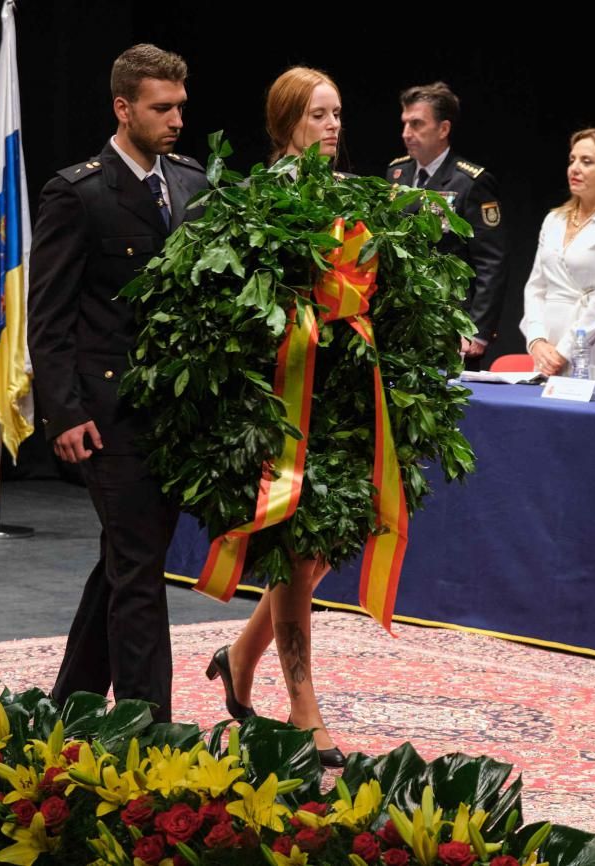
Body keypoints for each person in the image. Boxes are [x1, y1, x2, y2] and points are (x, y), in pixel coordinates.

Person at [27, 44, 207, 721]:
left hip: (172, 414)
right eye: (162, 108)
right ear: (123, 108)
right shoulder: (78, 192)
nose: (176, 120)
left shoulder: (191, 182)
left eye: (181, 107)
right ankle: (146, 727)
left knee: (125, 562)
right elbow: (48, 317)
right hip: (106, 411)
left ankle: (68, 705)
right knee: (138, 571)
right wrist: (63, 413)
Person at [206, 66, 347, 768]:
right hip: (282, 397)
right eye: (318, 115)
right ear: (287, 121)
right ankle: (303, 704)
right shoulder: (259, 199)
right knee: (298, 548)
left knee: (319, 551)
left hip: (338, 397)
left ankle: (238, 656)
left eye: (337, 114)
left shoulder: (350, 199)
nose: (332, 126)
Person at [385, 82, 506, 370]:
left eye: (416, 124)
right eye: (404, 124)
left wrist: (477, 329)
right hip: (400, 321)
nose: (406, 134)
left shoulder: (470, 182)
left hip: (450, 325)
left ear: (443, 129)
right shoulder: (396, 173)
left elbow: (491, 261)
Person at [520, 128, 595, 382]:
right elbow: (536, 287)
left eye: (586, 162)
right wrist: (537, 340)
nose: (574, 168)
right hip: (547, 347)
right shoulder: (554, 219)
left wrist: (564, 351)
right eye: (572, 160)